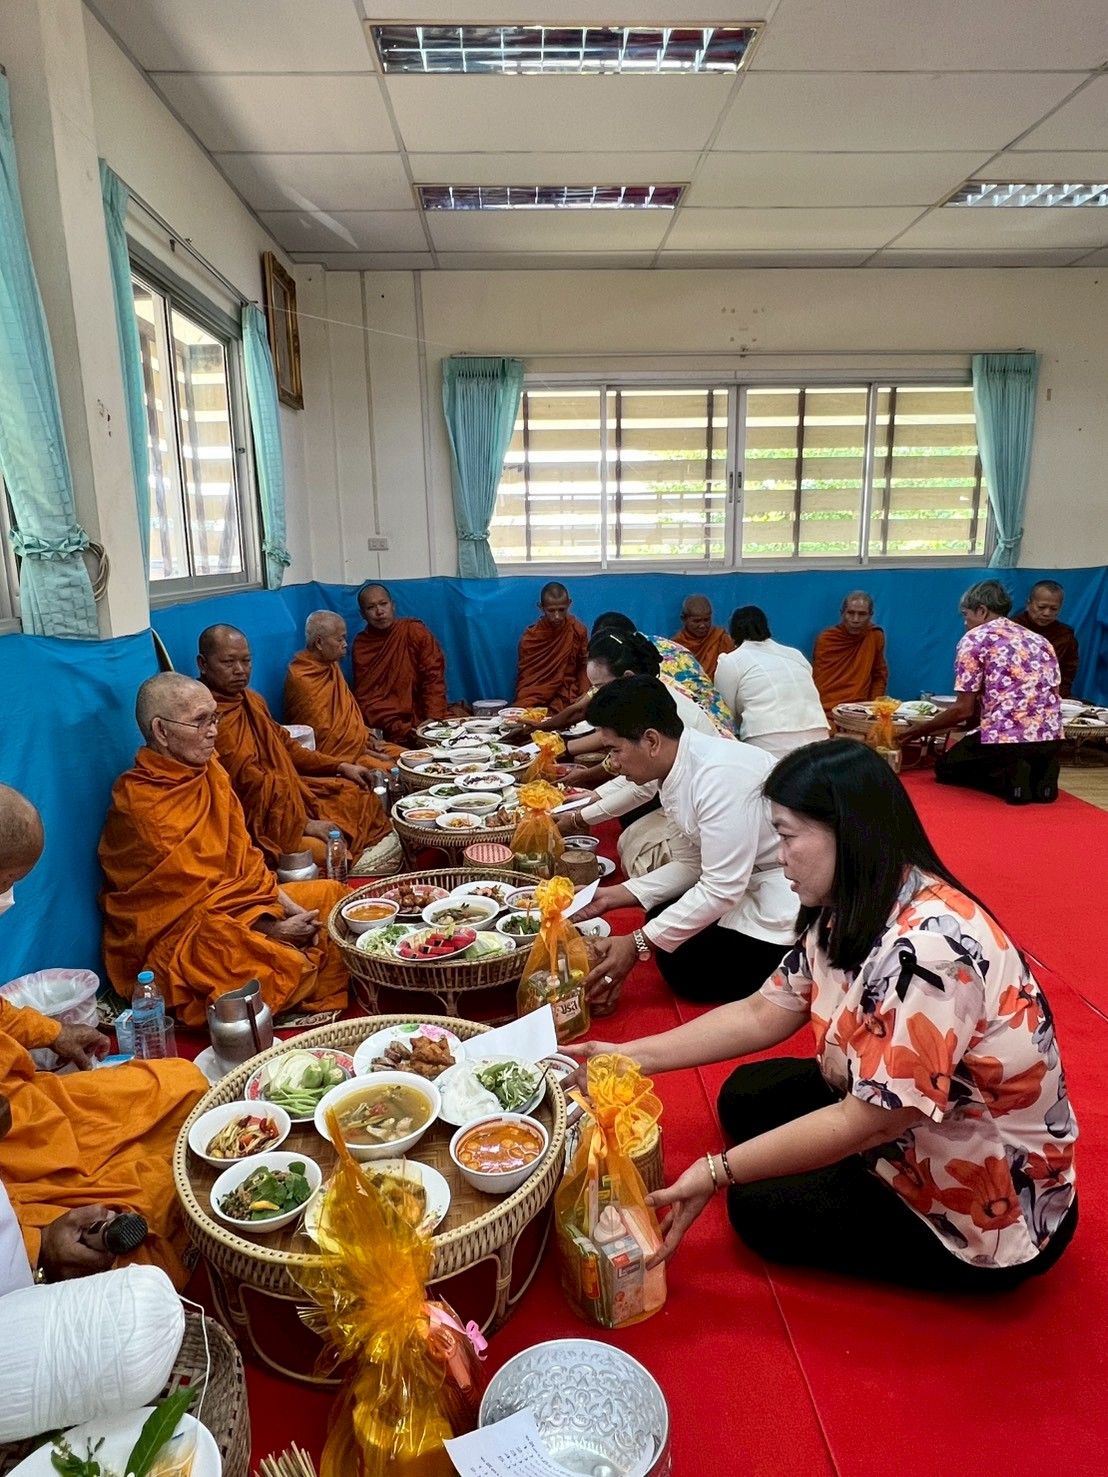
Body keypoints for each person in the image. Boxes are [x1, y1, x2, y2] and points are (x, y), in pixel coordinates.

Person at [572, 740, 1078, 1292]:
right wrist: (625, 1056)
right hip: (900, 1111)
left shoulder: (931, 951)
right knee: (746, 1095)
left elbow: (870, 1121)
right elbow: (764, 1011)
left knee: (756, 1206)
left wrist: (717, 1171)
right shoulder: (854, 902)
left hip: (989, 1198)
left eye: (787, 836)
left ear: (848, 832)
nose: (778, 855)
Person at [1, 784, 207, 1287]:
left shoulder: (205, 783)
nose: (9, 899)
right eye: (4, 882)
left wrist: (54, 1033)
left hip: (29, 1104)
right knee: (129, 1247)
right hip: (13, 1156)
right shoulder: (143, 797)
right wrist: (38, 1246)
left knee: (184, 1082)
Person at [99, 674, 352, 1025]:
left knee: (336, 898)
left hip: (249, 907)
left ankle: (296, 964)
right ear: (161, 732)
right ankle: (294, 967)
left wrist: (287, 907)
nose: (214, 731)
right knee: (244, 955)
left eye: (214, 718)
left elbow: (244, 860)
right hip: (185, 937)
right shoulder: (143, 806)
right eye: (200, 721)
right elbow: (193, 907)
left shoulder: (210, 772)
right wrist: (271, 930)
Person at [572, 676, 795, 1011]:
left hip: (787, 887)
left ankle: (803, 955)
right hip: (747, 880)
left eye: (615, 750)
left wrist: (635, 944)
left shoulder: (718, 776)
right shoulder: (676, 770)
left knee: (687, 970)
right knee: (660, 917)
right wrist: (612, 897)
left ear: (651, 741)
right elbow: (693, 864)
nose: (612, 764)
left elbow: (721, 887)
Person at [198, 624, 399, 873]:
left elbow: (287, 747)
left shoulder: (252, 701)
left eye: (246, 661)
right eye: (228, 662)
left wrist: (340, 765)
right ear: (203, 665)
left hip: (291, 798)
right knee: (333, 853)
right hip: (261, 821)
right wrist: (305, 823)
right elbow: (245, 786)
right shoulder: (204, 718)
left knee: (355, 795)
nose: (240, 670)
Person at [559, 631, 727, 878]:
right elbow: (631, 771)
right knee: (629, 841)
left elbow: (642, 786)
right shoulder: (642, 701)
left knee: (643, 857)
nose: (596, 696)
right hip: (682, 805)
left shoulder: (657, 710)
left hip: (712, 816)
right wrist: (594, 796)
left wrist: (579, 817)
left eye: (601, 687)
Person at [908, 579, 1062, 805]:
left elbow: (963, 709)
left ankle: (1008, 778)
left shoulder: (975, 639)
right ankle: (1043, 781)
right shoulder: (1041, 641)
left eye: (965, 614)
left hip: (1006, 740)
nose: (965, 622)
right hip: (1051, 740)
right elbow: (1055, 694)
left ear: (981, 611)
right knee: (1025, 755)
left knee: (946, 768)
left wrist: (917, 731)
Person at [534, 611, 735, 737]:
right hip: (724, 732)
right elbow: (588, 699)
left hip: (714, 742)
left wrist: (542, 732)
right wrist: (541, 727)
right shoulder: (644, 650)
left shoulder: (647, 677)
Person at [285, 610, 403, 772]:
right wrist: (364, 751)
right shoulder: (303, 678)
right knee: (390, 768)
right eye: (340, 639)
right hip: (338, 757)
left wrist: (367, 735)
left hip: (359, 744)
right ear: (319, 643)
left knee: (408, 757)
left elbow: (347, 718)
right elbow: (326, 738)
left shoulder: (330, 665)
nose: (345, 644)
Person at [714, 606, 829, 758]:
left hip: (767, 739)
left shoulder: (731, 661)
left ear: (731, 634)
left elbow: (725, 714)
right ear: (766, 627)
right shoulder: (795, 655)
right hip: (819, 735)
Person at [351, 584, 449, 746]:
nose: (379, 612)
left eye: (384, 604)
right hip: (386, 718)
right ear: (362, 614)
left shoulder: (414, 631)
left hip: (420, 712)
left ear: (393, 605)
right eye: (371, 607)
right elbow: (366, 695)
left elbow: (433, 678)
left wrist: (433, 718)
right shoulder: (362, 644)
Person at [812, 591, 888, 719]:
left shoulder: (875, 636)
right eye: (850, 613)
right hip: (826, 709)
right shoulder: (827, 639)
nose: (855, 620)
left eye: (862, 614)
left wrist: (873, 707)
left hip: (860, 710)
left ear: (871, 615)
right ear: (842, 613)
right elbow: (822, 681)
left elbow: (879, 675)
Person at [513, 582, 589, 711]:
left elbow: (583, 665)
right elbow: (528, 678)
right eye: (551, 611)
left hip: (566, 693)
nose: (557, 616)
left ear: (569, 604)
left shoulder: (577, 630)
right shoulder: (530, 638)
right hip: (535, 694)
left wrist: (584, 694)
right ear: (541, 607)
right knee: (524, 712)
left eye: (562, 610)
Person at [1012, 580, 1080, 698]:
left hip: (1050, 697)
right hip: (1012, 695)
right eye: (1042, 607)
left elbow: (1066, 676)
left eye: (1053, 609)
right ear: (1028, 604)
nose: (1047, 613)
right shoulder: (1011, 630)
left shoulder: (1064, 637)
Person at [670, 594, 734, 680]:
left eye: (706, 620)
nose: (702, 625)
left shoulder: (721, 639)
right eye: (696, 621)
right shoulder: (675, 646)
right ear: (684, 619)